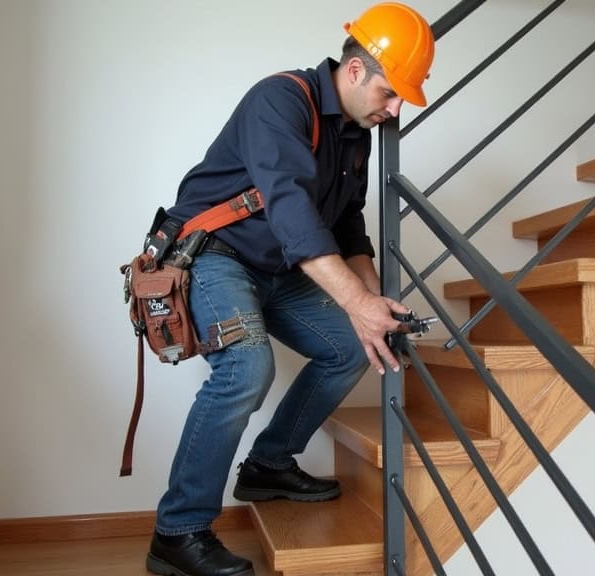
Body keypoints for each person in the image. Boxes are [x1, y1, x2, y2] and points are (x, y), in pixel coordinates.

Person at [144, 3, 435, 576]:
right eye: (390, 92)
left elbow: (348, 222)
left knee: (353, 346)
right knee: (247, 369)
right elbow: (293, 213)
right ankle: (176, 532)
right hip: (215, 258)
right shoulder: (280, 100)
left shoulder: (357, 134)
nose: (396, 108)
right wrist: (353, 301)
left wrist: (373, 303)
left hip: (280, 271)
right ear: (355, 72)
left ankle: (269, 465)